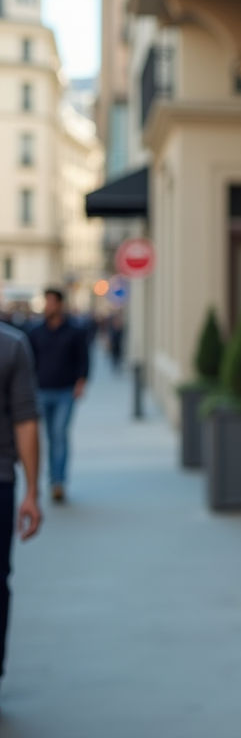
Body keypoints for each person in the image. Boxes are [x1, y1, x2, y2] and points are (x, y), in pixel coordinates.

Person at [0, 322, 42, 686]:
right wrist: (32, 492)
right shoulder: (12, 344)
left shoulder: (11, 346)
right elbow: (25, 420)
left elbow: (26, 419)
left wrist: (31, 492)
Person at [26, 288, 89, 503]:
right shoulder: (35, 332)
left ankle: (58, 481)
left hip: (65, 391)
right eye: (46, 302)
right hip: (40, 390)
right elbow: (28, 362)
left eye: (52, 302)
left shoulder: (74, 331)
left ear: (60, 305)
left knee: (59, 434)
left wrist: (81, 381)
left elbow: (84, 359)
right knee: (44, 436)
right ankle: (46, 478)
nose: (48, 306)